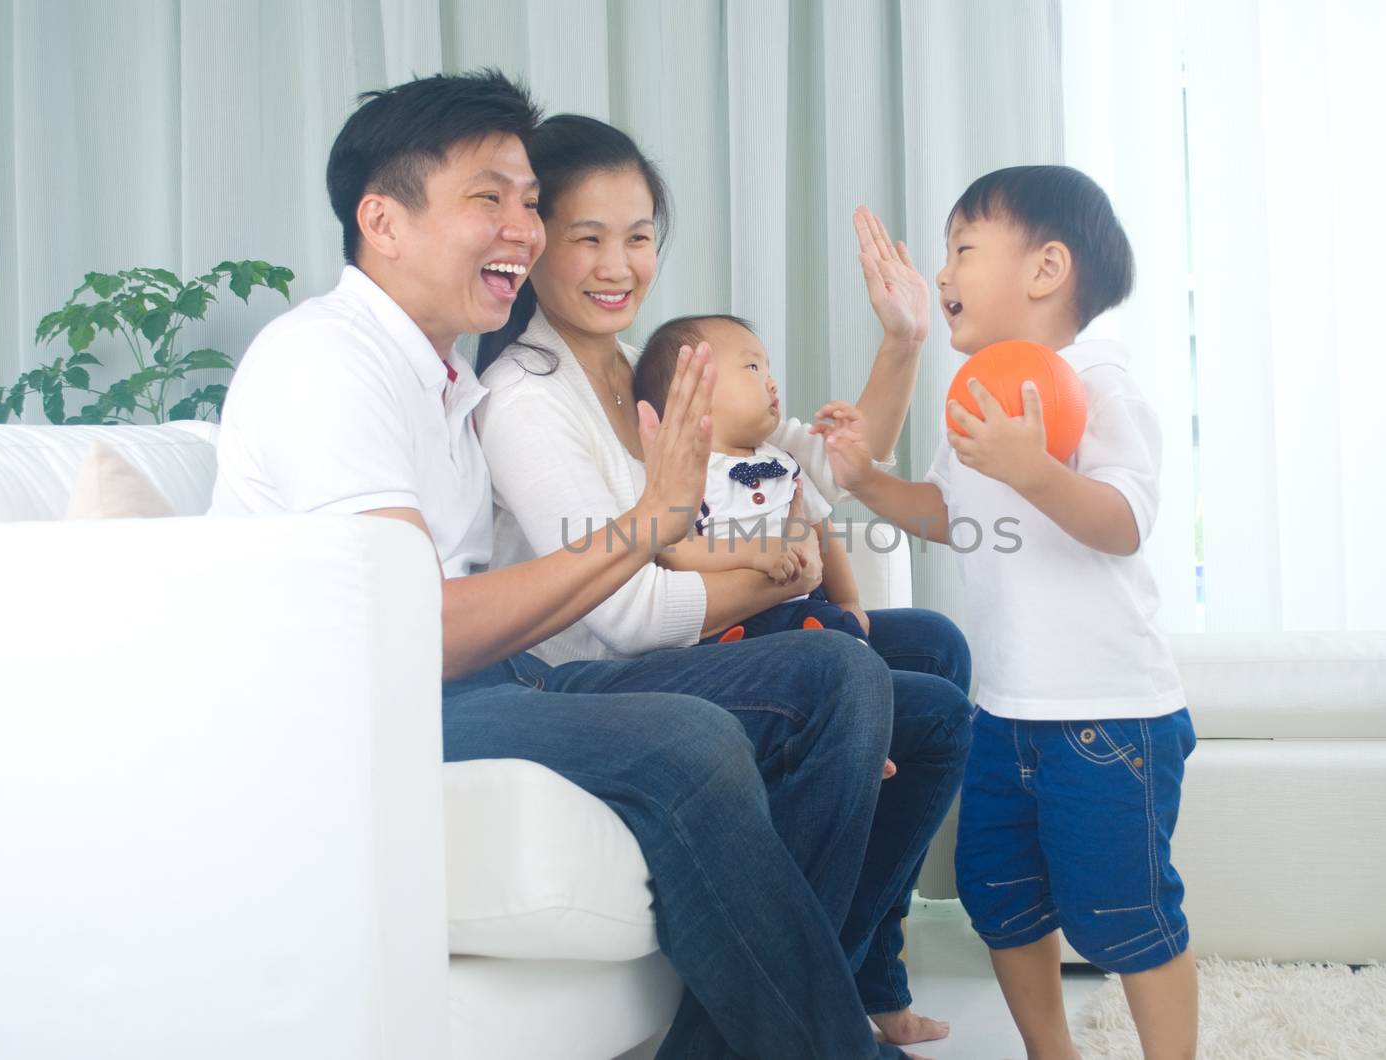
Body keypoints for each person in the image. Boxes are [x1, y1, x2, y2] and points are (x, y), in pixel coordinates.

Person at [209, 69, 924, 1060]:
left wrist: (662, 524)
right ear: (384, 219)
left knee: (839, 674)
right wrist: (647, 524)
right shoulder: (327, 363)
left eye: (529, 202)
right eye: (487, 199)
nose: (523, 228)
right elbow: (413, 631)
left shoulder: (444, 378)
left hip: (481, 680)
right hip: (368, 710)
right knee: (690, 742)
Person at [474, 113, 971, 1049]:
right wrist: (785, 571)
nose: (616, 264)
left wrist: (903, 341)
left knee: (935, 671)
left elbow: (818, 475)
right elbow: (632, 614)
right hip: (591, 671)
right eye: (586, 237)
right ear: (536, 243)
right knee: (844, 674)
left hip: (702, 635)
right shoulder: (526, 401)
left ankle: (847, 977)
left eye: (638, 237)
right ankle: (777, 1024)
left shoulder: (657, 369)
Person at [818, 165, 1199, 1060]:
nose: (942, 275)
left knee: (1127, 913)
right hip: (1007, 715)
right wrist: (870, 480)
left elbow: (1126, 521)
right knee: (1001, 896)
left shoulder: (1100, 383)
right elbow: (951, 516)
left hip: (1112, 718)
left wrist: (1036, 470)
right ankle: (1049, 1052)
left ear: (1046, 269)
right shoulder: (980, 390)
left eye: (962, 249)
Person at [634, 313, 869, 645]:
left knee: (840, 632)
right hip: (730, 617)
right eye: (753, 368)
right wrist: (755, 554)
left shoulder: (785, 463)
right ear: (693, 393)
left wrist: (848, 600)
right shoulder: (683, 473)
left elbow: (821, 533)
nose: (772, 383)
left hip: (804, 608)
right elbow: (676, 551)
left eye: (769, 371)